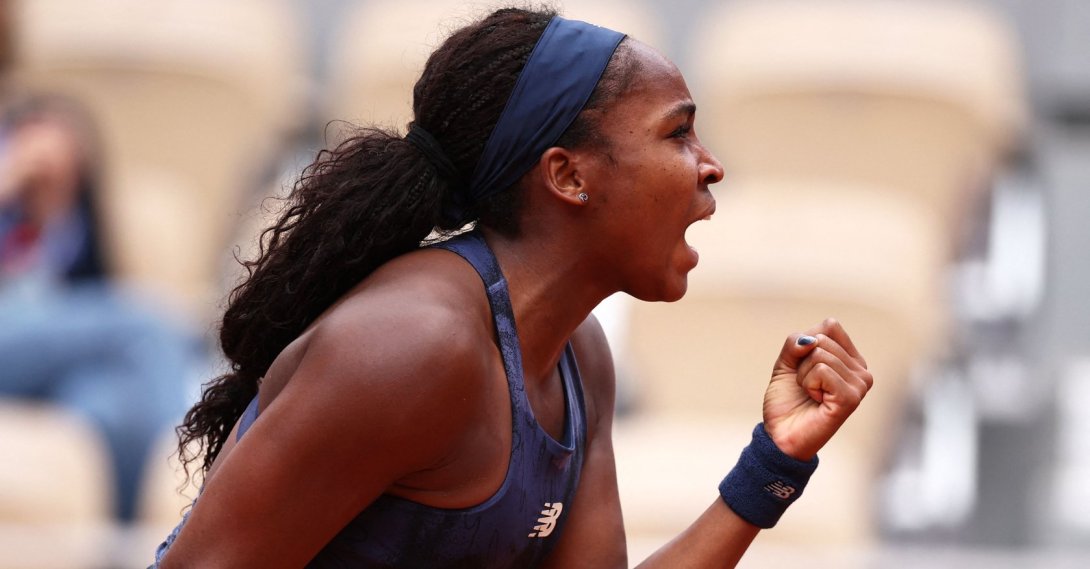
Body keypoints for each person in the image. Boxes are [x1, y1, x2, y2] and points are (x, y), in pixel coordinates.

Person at [155, 7, 873, 568]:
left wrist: (773, 464)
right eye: (677, 133)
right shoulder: (413, 346)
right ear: (568, 176)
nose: (711, 166)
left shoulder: (580, 358)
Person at [0, 93, 200, 522]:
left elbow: (77, 297)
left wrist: (53, 207)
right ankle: (179, 516)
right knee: (149, 326)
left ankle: (117, 547)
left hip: (37, 370)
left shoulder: (71, 229)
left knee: (104, 407)